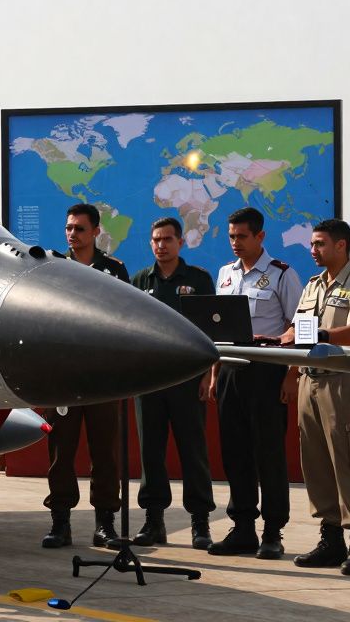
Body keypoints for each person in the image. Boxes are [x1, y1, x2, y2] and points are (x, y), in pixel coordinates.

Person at [279, 219, 350, 576]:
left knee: (349, 461)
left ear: (340, 246)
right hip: (310, 380)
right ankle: (330, 538)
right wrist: (291, 368)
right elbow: (297, 330)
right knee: (317, 461)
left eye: (320, 244)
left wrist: (318, 333)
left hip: (343, 381)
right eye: (312, 243)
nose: (313, 250)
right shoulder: (311, 286)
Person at [207, 207, 301, 560]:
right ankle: (243, 527)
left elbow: (298, 327)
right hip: (231, 371)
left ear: (260, 237)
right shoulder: (225, 275)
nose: (235, 243)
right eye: (231, 236)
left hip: (266, 372)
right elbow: (219, 327)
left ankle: (273, 532)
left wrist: (292, 373)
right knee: (235, 453)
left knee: (269, 454)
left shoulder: (282, 275)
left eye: (241, 236)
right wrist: (216, 374)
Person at [42, 203, 127, 549]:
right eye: (68, 228)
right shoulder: (54, 268)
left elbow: (125, 317)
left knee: (104, 451)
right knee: (61, 451)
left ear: (96, 232)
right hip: (64, 376)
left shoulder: (114, 270)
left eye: (79, 229)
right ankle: (60, 522)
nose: (72, 234)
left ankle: (104, 524)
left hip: (102, 377)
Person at [128, 217, 216, 549]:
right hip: (149, 381)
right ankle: (153, 522)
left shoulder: (198, 279)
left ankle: (200, 523)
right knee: (151, 451)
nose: (161, 245)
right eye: (155, 239)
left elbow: (211, 330)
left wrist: (208, 374)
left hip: (187, 379)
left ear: (181, 242)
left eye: (167, 239)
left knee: (193, 451)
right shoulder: (140, 280)